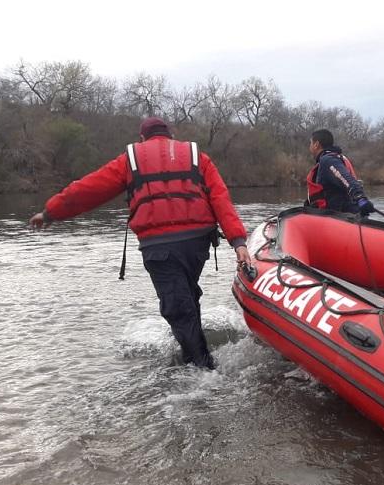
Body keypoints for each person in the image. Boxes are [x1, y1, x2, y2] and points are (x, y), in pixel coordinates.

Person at [29, 117, 251, 369]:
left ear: (142, 138)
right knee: (185, 296)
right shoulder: (197, 156)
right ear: (170, 136)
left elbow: (88, 190)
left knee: (178, 306)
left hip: (159, 247)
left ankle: (201, 367)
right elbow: (221, 200)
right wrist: (238, 242)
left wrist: (50, 213)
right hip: (196, 244)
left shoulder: (130, 160)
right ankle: (197, 355)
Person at [305, 129, 374, 214]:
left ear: (316, 144)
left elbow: (346, 178)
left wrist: (360, 198)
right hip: (340, 214)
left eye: (310, 143)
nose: (310, 146)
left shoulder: (328, 160)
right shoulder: (333, 158)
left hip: (344, 217)